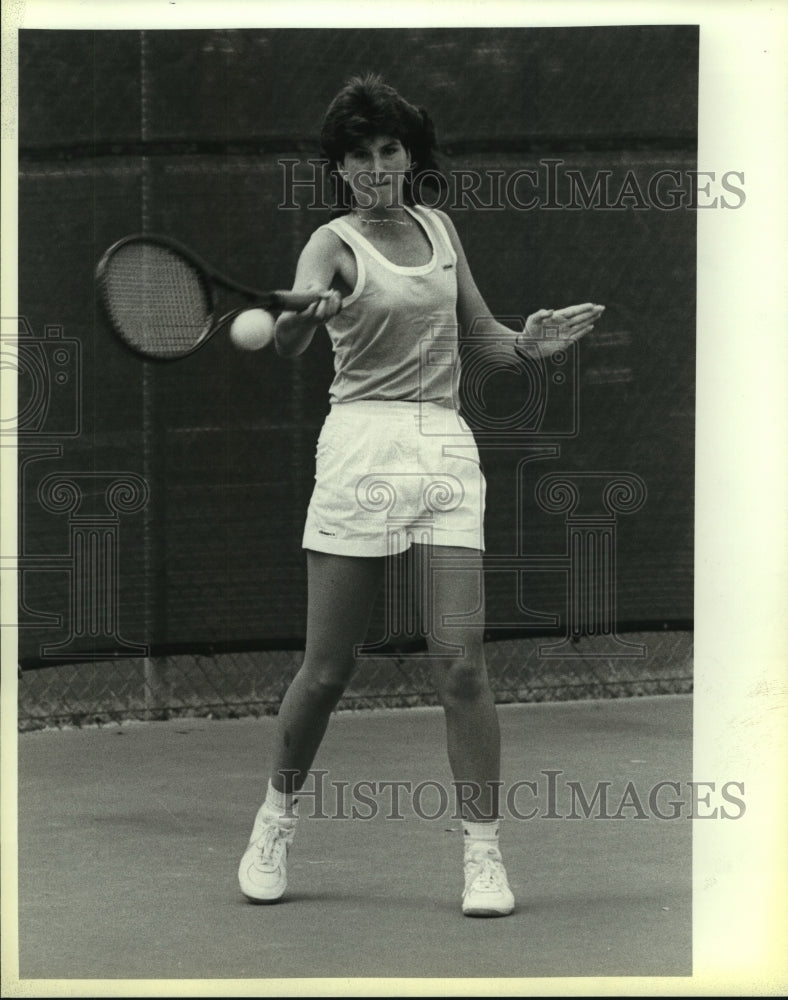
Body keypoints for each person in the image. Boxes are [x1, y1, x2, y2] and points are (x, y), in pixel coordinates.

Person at [238, 74, 602, 916]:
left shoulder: (439, 229)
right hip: (360, 445)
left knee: (462, 663)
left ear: (409, 156)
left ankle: (482, 857)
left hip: (442, 441)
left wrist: (533, 343)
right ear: (340, 168)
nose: (375, 167)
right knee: (328, 670)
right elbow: (291, 338)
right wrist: (305, 312)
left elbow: (488, 344)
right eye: (358, 155)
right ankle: (274, 820)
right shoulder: (332, 243)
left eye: (388, 150)